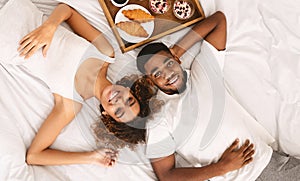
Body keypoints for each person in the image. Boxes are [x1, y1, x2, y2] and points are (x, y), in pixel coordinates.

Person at [136, 11, 278, 180]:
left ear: (177, 59)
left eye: (169, 63)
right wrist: (221, 167)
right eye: (157, 74)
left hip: (271, 164)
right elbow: (166, 176)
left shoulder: (203, 71)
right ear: (150, 82)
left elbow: (218, 21)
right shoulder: (158, 119)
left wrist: (176, 51)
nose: (168, 74)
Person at [17, 3, 163, 167]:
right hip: (20, 8)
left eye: (119, 111)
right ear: (130, 90)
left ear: (108, 117)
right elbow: (67, 11)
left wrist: (91, 157)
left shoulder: (70, 104)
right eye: (130, 100)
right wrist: (49, 27)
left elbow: (34, 156)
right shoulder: (106, 53)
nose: (119, 100)